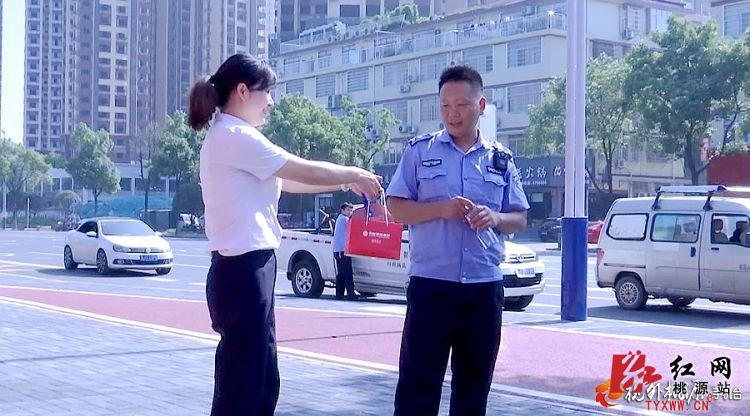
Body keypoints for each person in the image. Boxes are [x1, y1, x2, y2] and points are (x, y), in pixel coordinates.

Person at [188, 53, 382, 416]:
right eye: (267, 92)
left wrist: (345, 182)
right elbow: (300, 168)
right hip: (242, 272)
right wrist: (353, 173)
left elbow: (290, 180)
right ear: (242, 91)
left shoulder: (233, 138)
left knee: (262, 379)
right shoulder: (235, 135)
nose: (271, 102)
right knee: (244, 386)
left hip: (249, 270)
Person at [386, 64, 530, 415]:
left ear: (481, 106)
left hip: (483, 290)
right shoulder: (420, 152)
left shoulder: (500, 159)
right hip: (431, 287)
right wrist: (440, 209)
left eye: (462, 105)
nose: (452, 113)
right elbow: (396, 207)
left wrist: (494, 217)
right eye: (445, 105)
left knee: (473, 388)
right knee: (417, 387)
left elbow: (519, 218)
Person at [332, 202, 357, 300]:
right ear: (342, 210)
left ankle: (340, 294)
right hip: (341, 250)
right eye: (348, 210)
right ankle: (350, 294)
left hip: (339, 250)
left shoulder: (340, 218)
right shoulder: (344, 219)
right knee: (347, 273)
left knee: (342, 273)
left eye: (351, 210)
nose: (350, 212)